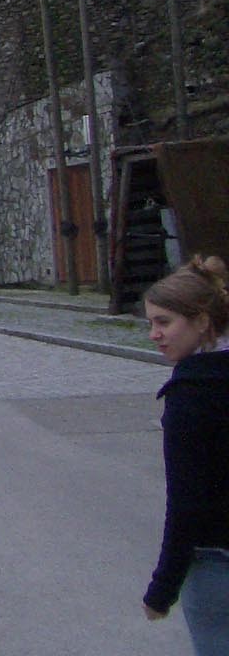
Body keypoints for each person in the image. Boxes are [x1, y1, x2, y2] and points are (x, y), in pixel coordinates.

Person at [143, 255, 229, 653]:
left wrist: (162, 589)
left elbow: (187, 506)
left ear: (201, 321)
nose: (154, 335)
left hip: (216, 567)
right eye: (150, 323)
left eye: (164, 322)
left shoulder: (190, 399)